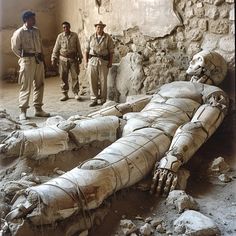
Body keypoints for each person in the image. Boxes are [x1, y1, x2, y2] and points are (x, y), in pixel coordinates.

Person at [1, 51, 229, 232]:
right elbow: (132, 105)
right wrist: (91, 117)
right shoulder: (170, 85)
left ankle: (39, 204)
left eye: (197, 58)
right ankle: (10, 147)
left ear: (208, 67)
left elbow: (198, 127)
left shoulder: (214, 94)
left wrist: (174, 156)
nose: (191, 60)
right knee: (66, 130)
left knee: (100, 169)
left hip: (157, 130)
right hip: (130, 119)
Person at [11, 10, 50, 121]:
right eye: (32, 19)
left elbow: (40, 46)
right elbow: (14, 48)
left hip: (38, 60)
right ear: (26, 20)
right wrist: (24, 57)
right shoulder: (19, 33)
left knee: (39, 84)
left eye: (34, 18)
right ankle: (23, 111)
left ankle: (38, 109)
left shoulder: (37, 31)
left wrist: (43, 61)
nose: (34, 20)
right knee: (26, 86)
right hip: (27, 62)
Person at [85, 21, 115, 107]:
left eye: (101, 27)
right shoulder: (91, 37)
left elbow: (111, 51)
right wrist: (86, 62)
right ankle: (94, 99)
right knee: (92, 80)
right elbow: (86, 50)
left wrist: (110, 62)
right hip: (92, 61)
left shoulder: (107, 37)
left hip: (103, 61)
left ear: (103, 28)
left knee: (103, 81)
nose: (99, 29)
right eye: (98, 27)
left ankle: (103, 99)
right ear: (96, 28)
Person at [51, 22, 83, 101]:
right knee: (63, 76)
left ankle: (76, 93)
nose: (65, 28)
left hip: (73, 59)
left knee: (75, 76)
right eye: (64, 27)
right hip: (63, 59)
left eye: (67, 27)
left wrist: (80, 56)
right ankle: (65, 94)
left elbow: (78, 46)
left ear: (69, 27)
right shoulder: (60, 36)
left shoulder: (74, 35)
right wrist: (53, 58)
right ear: (63, 28)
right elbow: (56, 48)